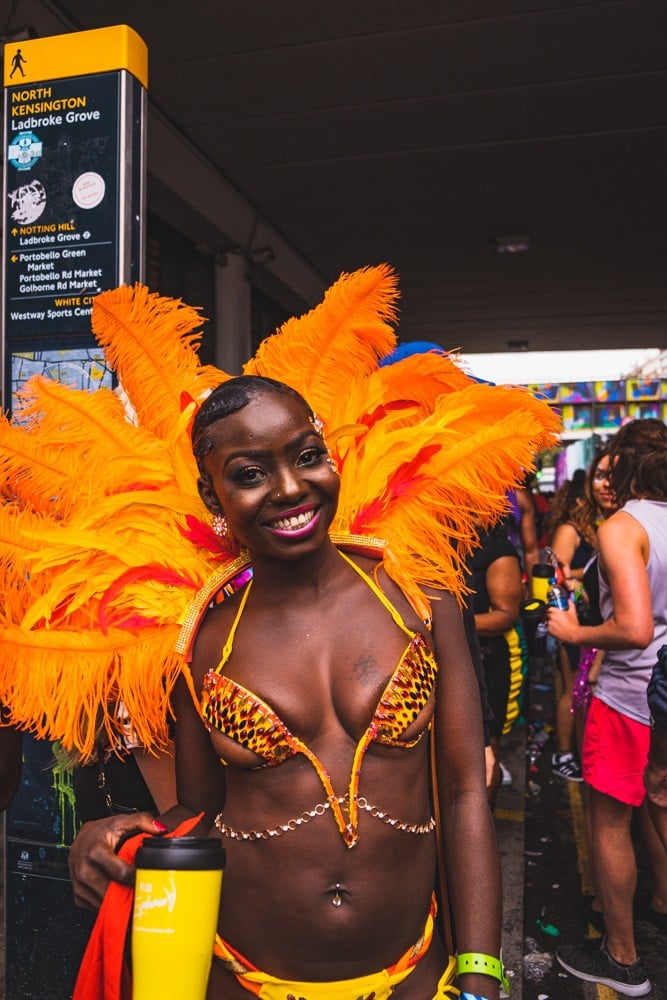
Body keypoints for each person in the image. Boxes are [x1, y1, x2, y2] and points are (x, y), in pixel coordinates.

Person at [0, 266, 558, 998]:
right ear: (214, 496)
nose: (291, 489)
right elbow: (198, 815)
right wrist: (110, 836)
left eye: (305, 456)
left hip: (413, 974)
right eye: (251, 472)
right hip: (244, 977)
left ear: (330, 454)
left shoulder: (421, 601)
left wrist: (481, 974)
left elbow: (459, 792)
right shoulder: (198, 635)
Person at [548, 417, 667, 996]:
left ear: (622, 462)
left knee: (611, 822)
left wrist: (573, 634)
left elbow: (636, 627)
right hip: (664, 696)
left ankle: (622, 959)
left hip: (631, 697)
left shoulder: (625, 526)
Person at [468, 524, 523, 807]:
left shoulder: (495, 548)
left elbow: (506, 615)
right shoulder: (435, 542)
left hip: (486, 664)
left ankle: (481, 829)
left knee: (485, 752)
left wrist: (448, 623)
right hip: (441, 660)